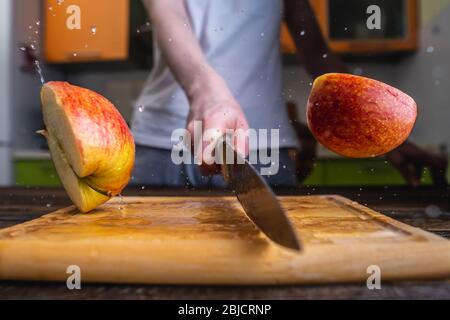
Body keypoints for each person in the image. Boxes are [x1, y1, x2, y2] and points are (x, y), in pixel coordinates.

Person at [131, 0, 448, 188]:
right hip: (161, 144)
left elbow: (317, 55)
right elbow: (168, 16)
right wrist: (209, 97)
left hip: (261, 148)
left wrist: (386, 137)